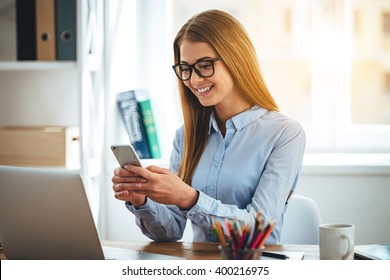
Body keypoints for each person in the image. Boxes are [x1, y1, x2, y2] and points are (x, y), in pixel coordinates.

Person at [112, 9, 306, 244]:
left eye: (204, 65)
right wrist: (141, 201)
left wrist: (190, 198)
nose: (194, 80)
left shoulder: (285, 135)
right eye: (186, 69)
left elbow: (258, 231)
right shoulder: (185, 136)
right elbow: (170, 231)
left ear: (236, 59)